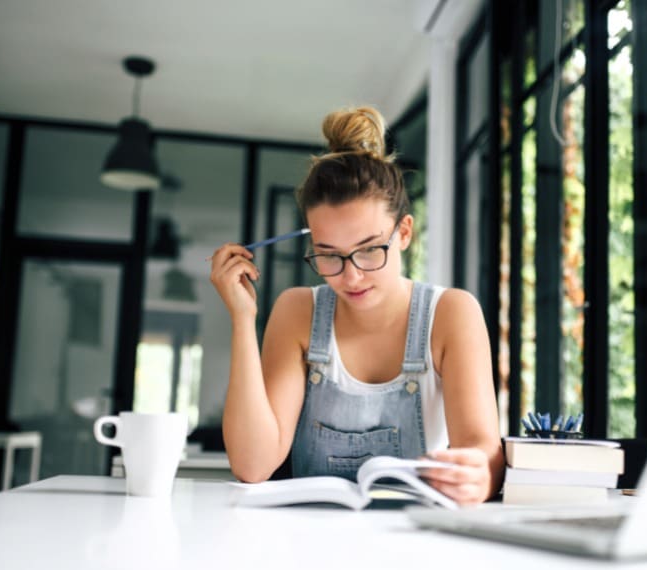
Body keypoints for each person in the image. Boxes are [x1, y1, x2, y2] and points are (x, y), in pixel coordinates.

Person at [209, 106, 503, 505]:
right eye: (328, 255)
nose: (350, 276)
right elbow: (252, 466)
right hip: (308, 547)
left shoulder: (451, 314)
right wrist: (243, 320)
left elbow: (484, 452)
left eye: (368, 251)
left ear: (403, 232)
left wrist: (480, 475)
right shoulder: (298, 312)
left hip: (414, 549)